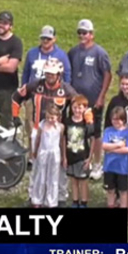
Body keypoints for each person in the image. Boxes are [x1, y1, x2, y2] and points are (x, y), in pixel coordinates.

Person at [12, 57, 79, 204]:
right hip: (38, 131)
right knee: (36, 166)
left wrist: (85, 119)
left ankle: (60, 198)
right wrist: (15, 115)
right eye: (47, 73)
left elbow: (80, 103)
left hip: (57, 134)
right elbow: (17, 97)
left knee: (59, 167)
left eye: (53, 74)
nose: (49, 76)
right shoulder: (35, 85)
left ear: (59, 74)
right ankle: (34, 197)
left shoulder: (66, 89)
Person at [67, 18, 111, 179]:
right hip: (76, 101)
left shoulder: (100, 53)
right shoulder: (73, 52)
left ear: (91, 34)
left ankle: (97, 163)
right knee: (77, 130)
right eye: (79, 32)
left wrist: (101, 97)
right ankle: (82, 160)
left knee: (95, 133)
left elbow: (107, 74)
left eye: (85, 33)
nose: (82, 35)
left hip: (93, 100)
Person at [28, 104, 65, 208]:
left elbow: (62, 141)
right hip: (43, 152)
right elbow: (38, 139)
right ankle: (37, 199)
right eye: (48, 117)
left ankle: (51, 201)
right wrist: (34, 152)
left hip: (54, 153)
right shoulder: (42, 125)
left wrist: (63, 156)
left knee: (53, 178)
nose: (50, 120)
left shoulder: (60, 127)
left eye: (52, 118)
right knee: (40, 176)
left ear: (57, 117)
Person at [64, 95, 96, 208]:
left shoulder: (87, 124)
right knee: (73, 180)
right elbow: (64, 139)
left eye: (80, 108)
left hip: (83, 156)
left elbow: (92, 140)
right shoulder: (67, 122)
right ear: (71, 108)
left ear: (85, 108)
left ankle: (84, 202)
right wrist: (64, 157)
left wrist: (90, 158)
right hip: (70, 155)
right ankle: (75, 201)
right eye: (75, 107)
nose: (77, 110)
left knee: (83, 181)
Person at [102, 106, 128, 208]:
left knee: (123, 191)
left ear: (123, 120)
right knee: (110, 190)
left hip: (122, 167)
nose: (116, 121)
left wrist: (111, 150)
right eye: (114, 119)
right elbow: (104, 146)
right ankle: (111, 205)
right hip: (109, 166)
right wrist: (119, 145)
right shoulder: (108, 130)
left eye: (118, 119)